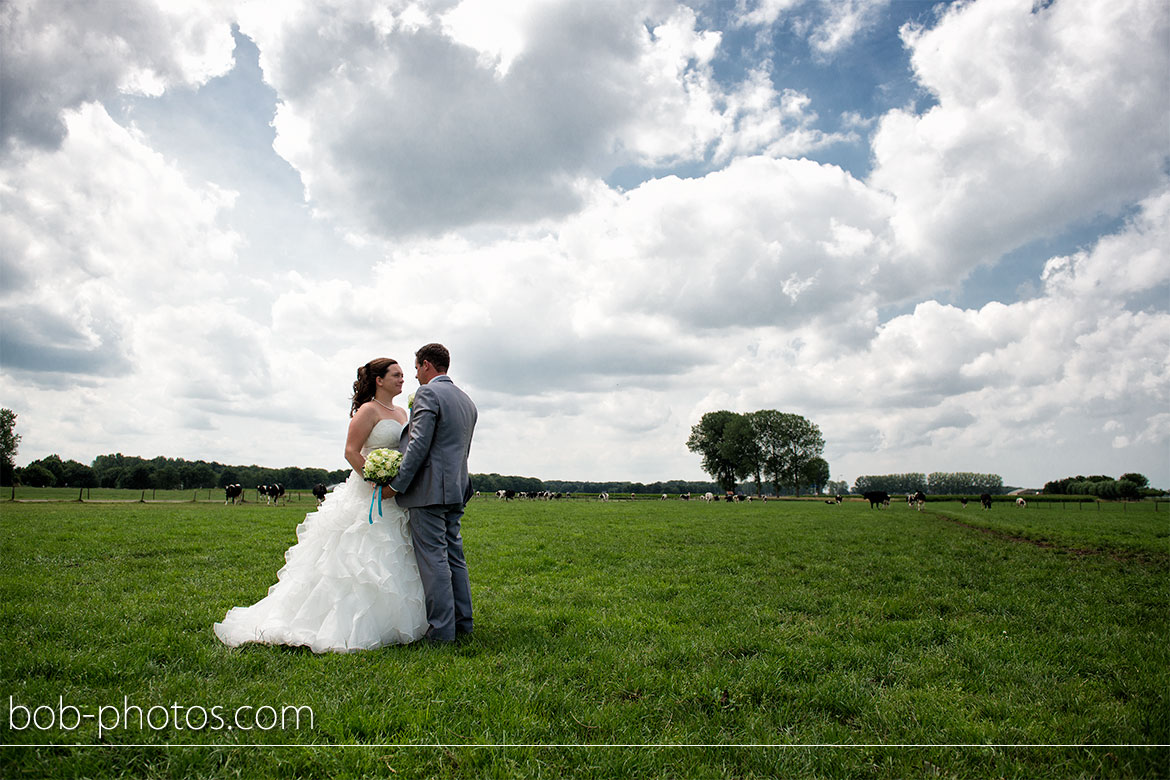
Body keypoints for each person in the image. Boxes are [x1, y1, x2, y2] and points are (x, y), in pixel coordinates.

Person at [213, 358, 428, 652]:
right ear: (379, 380)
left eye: (404, 375)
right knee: (355, 557)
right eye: (396, 375)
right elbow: (351, 451)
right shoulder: (367, 411)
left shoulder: (402, 412)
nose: (403, 379)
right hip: (368, 493)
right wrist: (374, 480)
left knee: (393, 555)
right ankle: (342, 624)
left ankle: (394, 619)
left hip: (394, 496)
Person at [383, 343, 478, 644]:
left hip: (428, 491)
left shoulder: (428, 394)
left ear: (426, 365)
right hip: (456, 488)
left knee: (434, 559)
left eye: (415, 369)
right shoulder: (466, 400)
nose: (414, 376)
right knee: (454, 557)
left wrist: (397, 483)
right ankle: (463, 624)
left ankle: (440, 632)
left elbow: (418, 445)